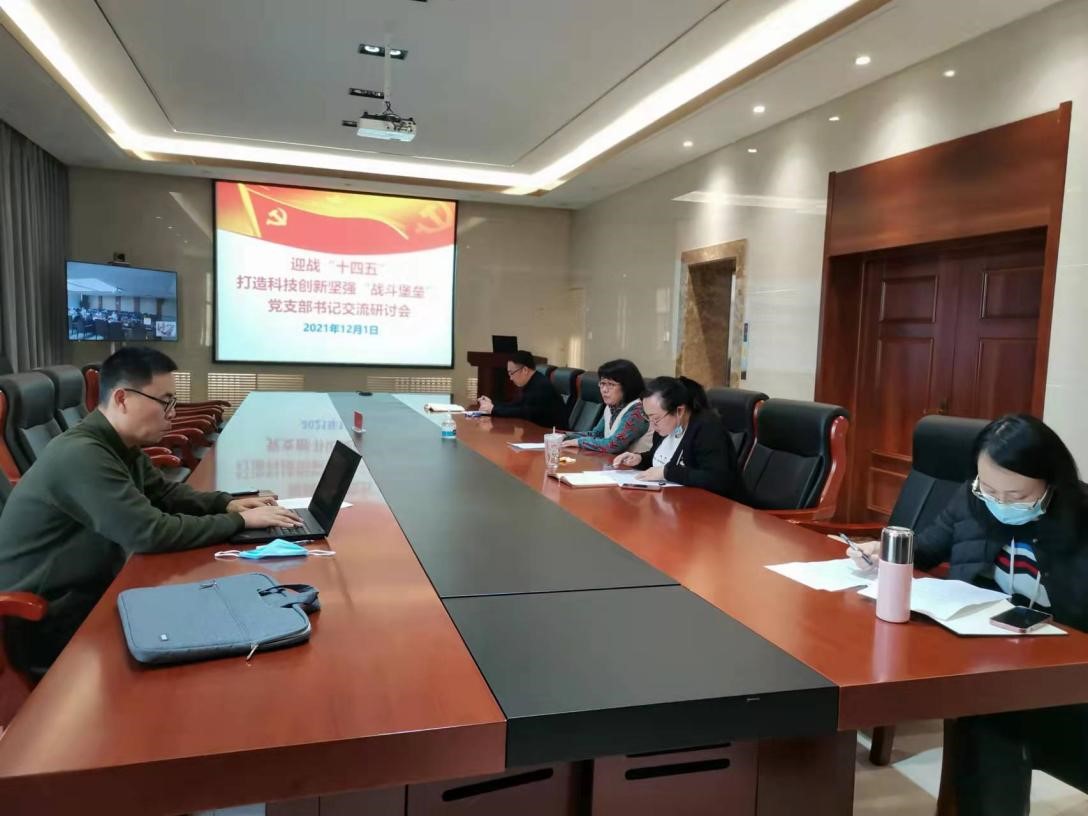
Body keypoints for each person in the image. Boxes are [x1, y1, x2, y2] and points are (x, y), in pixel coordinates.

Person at [0, 347, 302, 674]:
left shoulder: (116, 444)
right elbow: (150, 533)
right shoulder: (82, 454)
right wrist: (239, 521)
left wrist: (226, 503)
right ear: (122, 399)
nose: (172, 413)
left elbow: (164, 493)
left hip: (91, 592)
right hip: (49, 621)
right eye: (165, 402)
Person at [846, 414, 1088, 815]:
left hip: (1063, 673)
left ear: (1051, 483)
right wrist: (881, 552)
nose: (1000, 504)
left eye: (1016, 495)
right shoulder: (971, 499)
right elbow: (927, 548)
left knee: (994, 718)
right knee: (989, 716)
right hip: (986, 658)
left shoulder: (1080, 520)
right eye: (989, 489)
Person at [612, 375, 740, 498]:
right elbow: (662, 459)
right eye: (648, 416)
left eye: (655, 418)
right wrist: (639, 459)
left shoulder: (707, 429)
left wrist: (667, 473)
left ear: (680, 411)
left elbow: (717, 479)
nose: (652, 424)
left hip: (711, 505)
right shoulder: (666, 426)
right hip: (673, 499)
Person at [561, 359, 652, 454]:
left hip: (639, 463)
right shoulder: (612, 406)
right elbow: (597, 434)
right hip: (613, 461)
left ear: (627, 386)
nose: (604, 390)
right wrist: (565, 436)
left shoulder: (637, 411)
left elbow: (614, 445)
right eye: (602, 383)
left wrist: (579, 442)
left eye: (611, 384)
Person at [476, 350, 567, 429]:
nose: (510, 378)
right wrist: (493, 404)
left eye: (511, 373)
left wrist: (494, 409)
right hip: (537, 432)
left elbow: (524, 412)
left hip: (552, 436)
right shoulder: (533, 381)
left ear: (525, 370)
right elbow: (516, 405)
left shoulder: (541, 386)